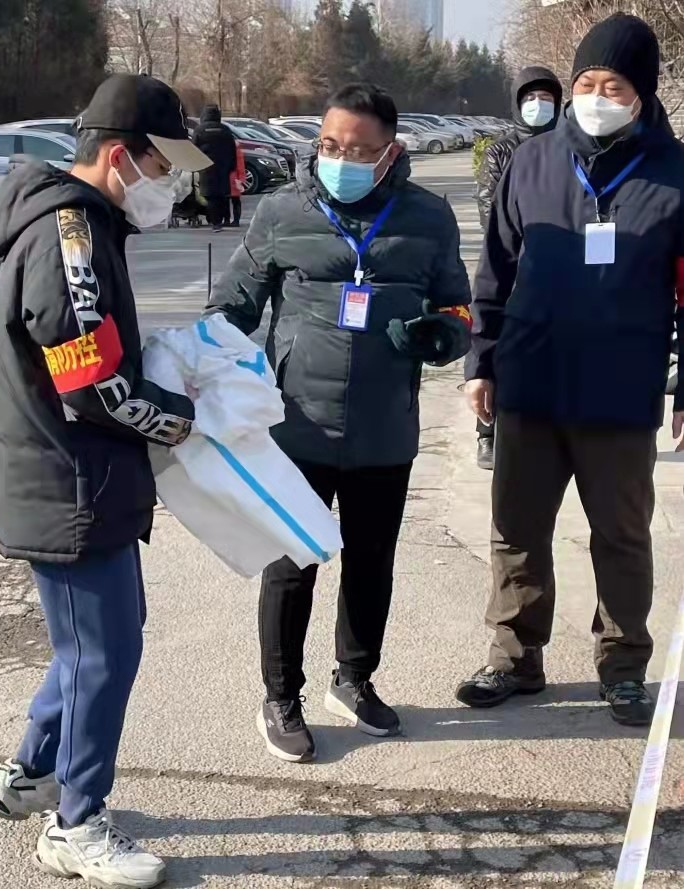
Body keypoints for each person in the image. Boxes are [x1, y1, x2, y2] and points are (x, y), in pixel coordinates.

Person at [0, 73, 210, 888]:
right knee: (103, 653)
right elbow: (92, 384)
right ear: (119, 156)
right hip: (68, 481)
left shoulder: (88, 224)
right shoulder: (69, 236)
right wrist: (181, 419)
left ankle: (32, 771)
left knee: (103, 639)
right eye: (162, 168)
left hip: (82, 476)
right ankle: (74, 824)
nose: (169, 186)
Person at [207, 83, 472, 763]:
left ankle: (354, 679)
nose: (341, 160)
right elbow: (233, 305)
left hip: (385, 426)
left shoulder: (428, 217)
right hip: (297, 425)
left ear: (390, 152)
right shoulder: (282, 211)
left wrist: (444, 335)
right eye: (330, 145)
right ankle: (280, 696)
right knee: (291, 563)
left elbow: (457, 306)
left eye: (358, 150)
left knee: (371, 563)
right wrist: (204, 366)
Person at [456, 14, 684, 727]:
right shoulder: (532, 162)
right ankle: (514, 657)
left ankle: (623, 667)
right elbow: (494, 270)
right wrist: (481, 361)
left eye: (613, 85)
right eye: (586, 82)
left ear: (641, 93)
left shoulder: (674, 173)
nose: (596, 97)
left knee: (621, 536)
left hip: (621, 390)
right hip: (531, 381)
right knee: (516, 530)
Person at [472, 66, 563, 471]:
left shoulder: (569, 148)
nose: (538, 105)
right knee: (494, 345)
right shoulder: (501, 150)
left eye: (546, 98)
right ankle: (486, 432)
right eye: (530, 98)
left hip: (556, 267)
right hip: (511, 264)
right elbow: (490, 209)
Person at [193, 104, 237, 232]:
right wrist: (232, 166)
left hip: (206, 167)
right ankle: (221, 219)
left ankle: (215, 222)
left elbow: (194, 149)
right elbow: (232, 149)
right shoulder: (225, 129)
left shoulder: (199, 130)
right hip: (223, 167)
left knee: (210, 195)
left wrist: (195, 165)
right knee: (222, 195)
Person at [226, 139, 246, 227]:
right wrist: (241, 179)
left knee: (228, 200)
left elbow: (240, 166)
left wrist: (240, 179)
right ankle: (235, 220)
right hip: (234, 178)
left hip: (231, 178)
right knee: (235, 201)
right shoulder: (237, 150)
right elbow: (241, 166)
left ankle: (228, 220)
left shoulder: (234, 151)